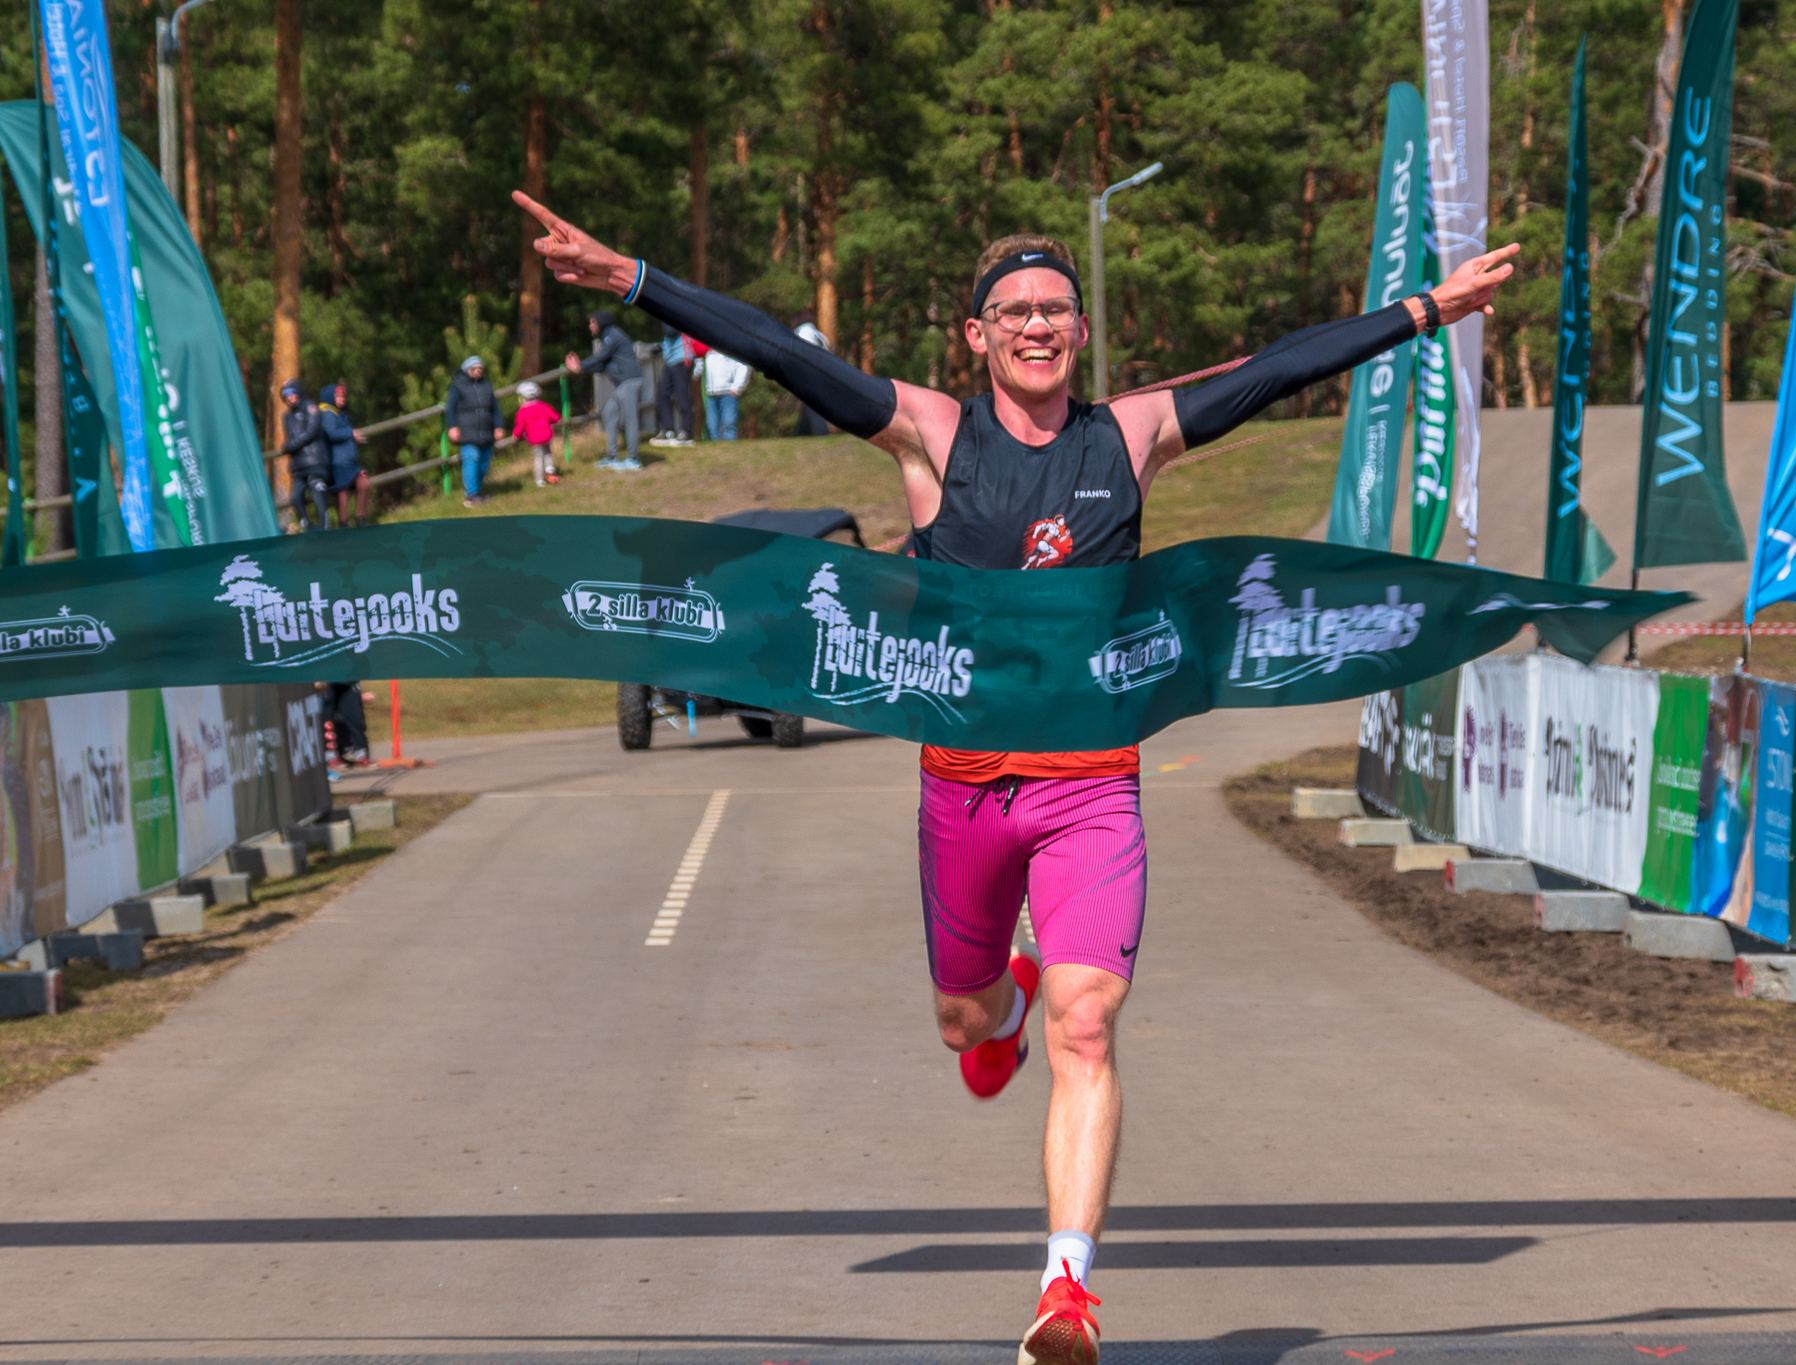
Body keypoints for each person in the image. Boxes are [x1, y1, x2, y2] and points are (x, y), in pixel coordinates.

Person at [516, 187, 1515, 1365]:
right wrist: (632, 278)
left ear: (1079, 329)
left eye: (1055, 309)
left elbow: (1282, 368)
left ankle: (1066, 1289)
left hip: (1090, 785)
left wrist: (1422, 308)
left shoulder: (1131, 435)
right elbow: (776, 352)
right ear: (976, 333)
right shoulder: (931, 434)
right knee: (964, 1023)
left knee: (1085, 1026)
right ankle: (1000, 1005)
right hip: (965, 792)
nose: (1037, 325)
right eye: (1014, 311)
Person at [566, 309, 645, 470]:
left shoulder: (612, 336)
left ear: (602, 322)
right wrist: (581, 368)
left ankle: (633, 459)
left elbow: (599, 357)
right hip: (623, 384)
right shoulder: (607, 338)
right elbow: (601, 365)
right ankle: (611, 456)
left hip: (629, 381)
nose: (590, 326)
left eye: (593, 322)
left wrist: (580, 365)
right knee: (609, 413)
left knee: (630, 420)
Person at [445, 356, 505, 508]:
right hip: (466, 430)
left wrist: (498, 426)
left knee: (484, 462)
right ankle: (471, 494)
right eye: (474, 368)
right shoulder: (457, 386)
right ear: (467, 370)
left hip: (486, 430)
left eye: (480, 368)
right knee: (472, 458)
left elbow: (495, 409)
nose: (478, 371)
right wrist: (452, 426)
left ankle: (476, 491)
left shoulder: (487, 386)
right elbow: (450, 409)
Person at [280, 379, 331, 532]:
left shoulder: (310, 407)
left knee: (317, 491)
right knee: (295, 498)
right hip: (298, 465)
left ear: (298, 392)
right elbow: (290, 438)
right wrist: (289, 446)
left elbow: (311, 431)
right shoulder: (287, 416)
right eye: (286, 395)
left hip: (315, 461)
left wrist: (291, 446)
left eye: (292, 393)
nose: (289, 398)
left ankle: (325, 528)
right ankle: (308, 527)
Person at [320, 382, 371, 527]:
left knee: (364, 483)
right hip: (338, 461)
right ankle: (344, 524)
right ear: (330, 397)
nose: (342, 399)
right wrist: (350, 433)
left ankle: (361, 518)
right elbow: (332, 434)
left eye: (343, 396)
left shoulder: (341, 414)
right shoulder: (327, 414)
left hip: (350, 461)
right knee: (342, 491)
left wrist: (354, 437)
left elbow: (344, 431)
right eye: (338, 396)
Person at [651, 324, 703, 447]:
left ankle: (686, 431)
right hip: (669, 360)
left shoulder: (675, 317)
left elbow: (670, 330)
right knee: (662, 394)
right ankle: (668, 430)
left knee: (681, 395)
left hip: (681, 359)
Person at [511, 380, 563, 486]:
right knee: (547, 453)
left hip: (534, 438)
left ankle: (540, 480)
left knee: (538, 458)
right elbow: (554, 417)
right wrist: (558, 419)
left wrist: (516, 435)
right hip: (546, 435)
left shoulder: (522, 412)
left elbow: (520, 426)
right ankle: (549, 468)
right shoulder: (544, 407)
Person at [791, 310, 832, 436]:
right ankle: (800, 434)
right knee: (809, 404)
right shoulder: (818, 334)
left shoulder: (803, 333)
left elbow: (807, 353)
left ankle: (822, 433)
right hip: (823, 372)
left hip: (811, 373)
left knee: (812, 404)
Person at [702, 347, 750, 441]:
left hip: (727, 393)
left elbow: (743, 366)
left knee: (729, 424)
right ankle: (714, 448)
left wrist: (736, 387)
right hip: (711, 394)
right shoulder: (708, 352)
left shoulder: (729, 349)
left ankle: (730, 447)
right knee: (712, 426)